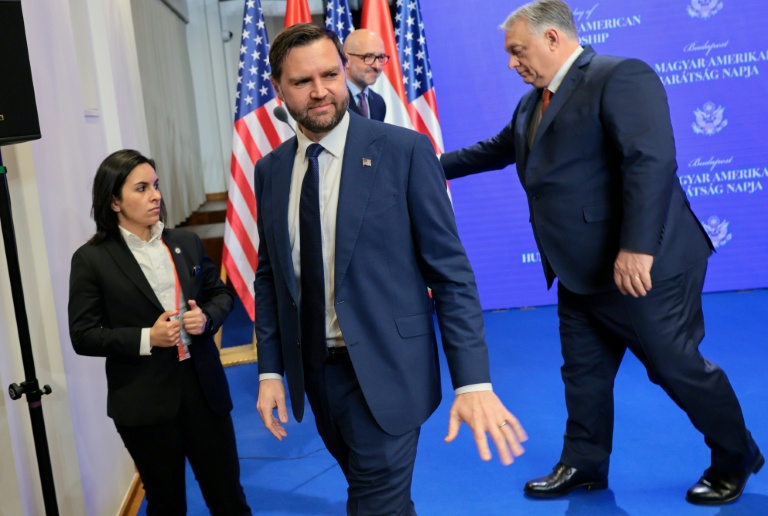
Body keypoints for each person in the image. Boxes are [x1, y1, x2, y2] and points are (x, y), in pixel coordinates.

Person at [440, 0, 762, 506]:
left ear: (552, 39)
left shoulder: (620, 76)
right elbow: (496, 149)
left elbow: (650, 163)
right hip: (579, 269)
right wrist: (420, 167)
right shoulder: (532, 101)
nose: (511, 63)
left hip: (647, 266)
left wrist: (636, 249)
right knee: (583, 372)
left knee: (676, 368)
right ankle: (585, 464)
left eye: (517, 50)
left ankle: (736, 457)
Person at [254, 24, 527, 514]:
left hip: (388, 370)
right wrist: (270, 368)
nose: (320, 91)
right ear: (278, 88)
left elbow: (450, 274)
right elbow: (271, 275)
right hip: (315, 372)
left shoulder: (404, 151)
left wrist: (473, 381)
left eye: (330, 74)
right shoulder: (270, 170)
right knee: (383, 499)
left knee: (373, 503)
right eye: (302, 82)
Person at [68, 149, 251, 515]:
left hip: (204, 390)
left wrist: (207, 319)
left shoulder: (186, 243)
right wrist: (146, 338)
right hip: (144, 400)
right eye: (141, 188)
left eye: (155, 185)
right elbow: (83, 334)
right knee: (167, 504)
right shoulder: (92, 259)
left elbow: (220, 294)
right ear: (114, 201)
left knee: (228, 497)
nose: (155, 195)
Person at [344, 29, 388, 121]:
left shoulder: (378, 102)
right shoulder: (333, 101)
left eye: (380, 58)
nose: (377, 66)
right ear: (346, 60)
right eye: (368, 57)